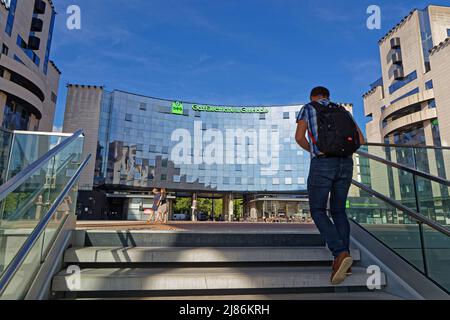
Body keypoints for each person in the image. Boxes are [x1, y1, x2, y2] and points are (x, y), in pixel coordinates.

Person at [295, 86, 366, 285]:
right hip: (346, 163)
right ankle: (345, 262)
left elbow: (300, 137)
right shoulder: (342, 110)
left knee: (318, 210)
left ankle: (340, 252)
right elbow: (361, 140)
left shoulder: (308, 108)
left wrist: (314, 150)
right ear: (328, 96)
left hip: (323, 162)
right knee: (339, 211)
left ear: (312, 96)